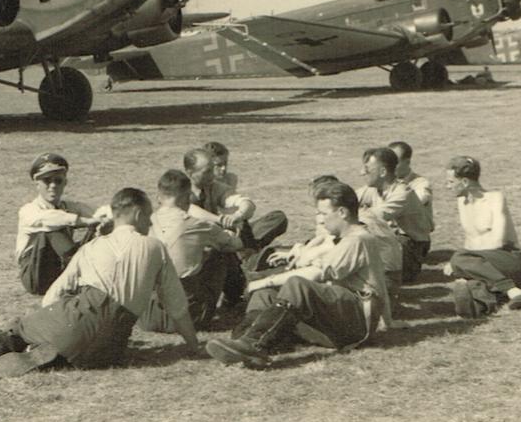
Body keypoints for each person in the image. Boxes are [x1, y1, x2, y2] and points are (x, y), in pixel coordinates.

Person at [0, 188, 200, 377]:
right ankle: (55, 358)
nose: (150, 222)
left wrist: (44, 321)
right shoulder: (154, 247)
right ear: (138, 213)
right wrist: (193, 346)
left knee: (19, 327)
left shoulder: (92, 248)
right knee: (89, 347)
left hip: (82, 314)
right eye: (148, 216)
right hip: (113, 343)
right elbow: (176, 306)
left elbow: (52, 296)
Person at [205, 181, 387, 369]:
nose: (322, 220)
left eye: (324, 214)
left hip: (355, 325)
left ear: (342, 212)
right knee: (265, 294)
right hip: (338, 318)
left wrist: (266, 280)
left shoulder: (358, 239)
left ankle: (255, 344)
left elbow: (317, 273)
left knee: (297, 284)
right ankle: (244, 342)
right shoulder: (345, 239)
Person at [141, 170, 244, 331]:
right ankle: (234, 300)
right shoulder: (196, 224)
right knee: (220, 253)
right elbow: (236, 244)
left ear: (158, 196)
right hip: (188, 317)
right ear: (187, 196)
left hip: (149, 316)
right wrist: (231, 233)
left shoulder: (144, 223)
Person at [183, 148, 288, 305]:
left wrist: (236, 216)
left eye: (213, 169)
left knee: (276, 218)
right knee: (224, 249)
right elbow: (189, 209)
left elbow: (245, 203)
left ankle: (247, 272)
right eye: (207, 171)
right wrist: (220, 221)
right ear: (190, 172)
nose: (213, 174)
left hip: (220, 241)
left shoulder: (214, 186)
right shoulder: (179, 190)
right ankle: (250, 265)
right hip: (193, 254)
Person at [443, 156, 521, 318]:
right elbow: (470, 239)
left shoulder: (495, 198)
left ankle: (510, 289)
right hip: (486, 264)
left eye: (451, 182)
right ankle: (480, 304)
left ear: (464, 182)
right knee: (471, 276)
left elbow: (497, 241)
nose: (447, 186)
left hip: (510, 260)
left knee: (459, 259)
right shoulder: (462, 202)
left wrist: (462, 260)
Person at [15, 153, 109, 295]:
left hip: (60, 270)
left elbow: (101, 211)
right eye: (47, 181)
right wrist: (84, 221)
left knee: (97, 225)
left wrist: (104, 220)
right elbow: (51, 219)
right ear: (37, 184)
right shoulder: (28, 210)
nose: (53, 186)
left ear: (65, 183)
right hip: (37, 276)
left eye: (58, 181)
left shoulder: (69, 206)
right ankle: (80, 271)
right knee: (51, 230)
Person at [357, 147, 431, 284]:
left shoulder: (402, 193)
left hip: (411, 249)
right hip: (393, 243)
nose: (362, 173)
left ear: (383, 172)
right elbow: (346, 199)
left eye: (367, 170)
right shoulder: (373, 189)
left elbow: (372, 219)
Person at [389, 140, 434, 240]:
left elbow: (415, 202)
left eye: (395, 162)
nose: (389, 166)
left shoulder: (420, 184)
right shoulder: (383, 182)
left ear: (407, 162)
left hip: (412, 239)